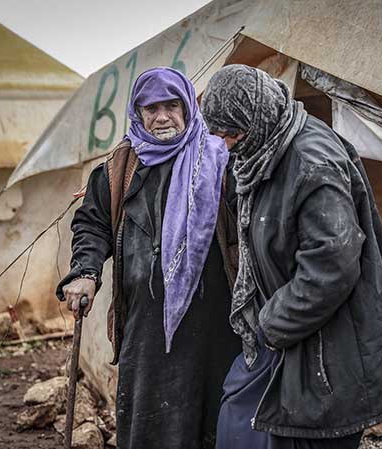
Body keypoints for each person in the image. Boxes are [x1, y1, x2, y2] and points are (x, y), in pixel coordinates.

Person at [200, 64, 382, 449]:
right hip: (295, 332)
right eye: (219, 136)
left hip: (328, 346)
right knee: (241, 419)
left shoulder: (311, 162)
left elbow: (332, 265)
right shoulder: (266, 147)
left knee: (302, 434)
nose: (228, 145)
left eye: (232, 134)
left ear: (256, 116)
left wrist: (272, 323)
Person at [56, 67, 241, 449]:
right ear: (137, 112)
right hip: (145, 325)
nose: (162, 117)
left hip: (214, 322)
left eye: (171, 106)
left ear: (188, 107)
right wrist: (85, 271)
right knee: (148, 421)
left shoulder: (220, 160)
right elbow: (92, 225)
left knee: (214, 420)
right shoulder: (118, 169)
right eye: (151, 108)